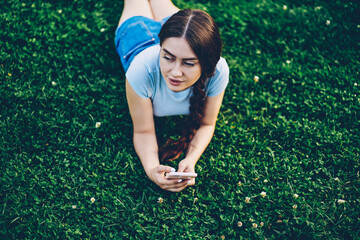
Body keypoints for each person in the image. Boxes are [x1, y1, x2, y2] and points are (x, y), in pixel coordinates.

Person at [115, 0, 229, 192]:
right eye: (167, 58)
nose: (175, 72)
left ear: (207, 63)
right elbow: (143, 131)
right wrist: (151, 169)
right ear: (161, 49)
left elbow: (207, 124)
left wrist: (191, 159)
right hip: (137, 37)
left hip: (180, 38)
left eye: (189, 63)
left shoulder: (217, 71)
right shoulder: (141, 70)